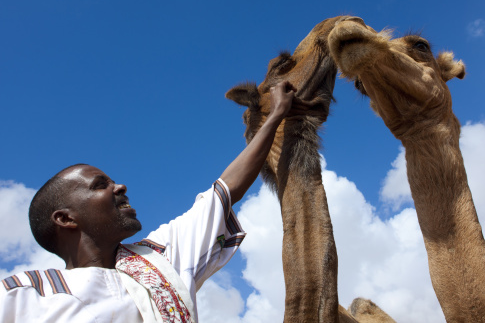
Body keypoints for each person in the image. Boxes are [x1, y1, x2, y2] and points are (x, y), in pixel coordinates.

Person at [0, 81, 296, 323]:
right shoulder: (21, 296)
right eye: (100, 185)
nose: (120, 186)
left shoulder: (161, 258)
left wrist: (276, 115)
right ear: (65, 219)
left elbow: (225, 189)